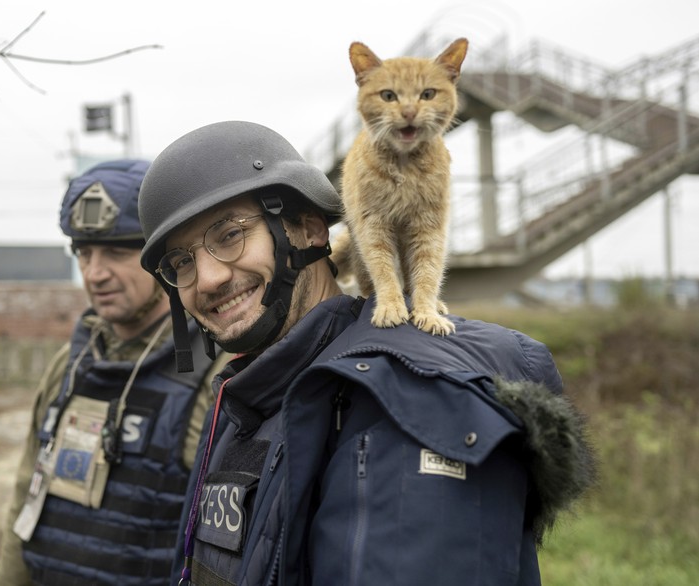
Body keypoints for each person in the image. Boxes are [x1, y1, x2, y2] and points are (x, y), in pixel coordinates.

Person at [136, 121, 595, 585]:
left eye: (230, 235)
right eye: (182, 262)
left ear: (311, 229)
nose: (209, 278)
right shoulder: (250, 399)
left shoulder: (405, 403)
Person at [0, 160, 229, 586]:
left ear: (164, 259)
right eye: (83, 252)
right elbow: (26, 498)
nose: (94, 273)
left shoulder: (219, 374)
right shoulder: (71, 364)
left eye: (117, 252)